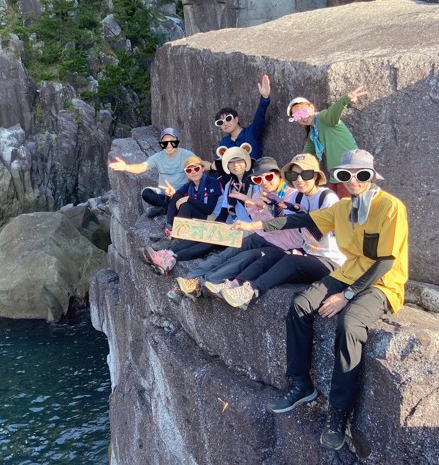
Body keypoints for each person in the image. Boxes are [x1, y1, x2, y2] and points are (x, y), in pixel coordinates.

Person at [232, 149, 408, 451]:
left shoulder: (390, 207)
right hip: (348, 271)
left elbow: (385, 261)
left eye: (361, 175)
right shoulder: (342, 209)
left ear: (371, 176)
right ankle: (301, 383)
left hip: (382, 282)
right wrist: (255, 225)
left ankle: (338, 413)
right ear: (339, 177)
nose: (353, 181)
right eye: (346, 175)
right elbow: (300, 219)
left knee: (350, 325)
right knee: (301, 304)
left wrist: (347, 295)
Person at [220, 153, 345, 309]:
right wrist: (269, 206)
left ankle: (251, 290)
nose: (299, 180)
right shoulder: (297, 198)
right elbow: (281, 222)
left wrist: (254, 225)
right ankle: (236, 283)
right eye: (294, 175)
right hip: (308, 253)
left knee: (290, 260)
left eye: (305, 174)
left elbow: (308, 227)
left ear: (316, 176)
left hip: (330, 261)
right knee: (273, 254)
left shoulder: (327, 197)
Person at [170, 157, 303, 302]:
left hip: (282, 244)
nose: (264, 182)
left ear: (278, 175)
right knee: (228, 252)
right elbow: (256, 219)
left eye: (269, 177)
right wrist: (251, 205)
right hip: (261, 235)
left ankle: (202, 283)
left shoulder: (293, 195)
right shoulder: (259, 194)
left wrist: (257, 206)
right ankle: (190, 279)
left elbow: (284, 224)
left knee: (242, 258)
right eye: (258, 179)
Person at [145, 144, 254, 268]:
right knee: (206, 232)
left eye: (239, 161)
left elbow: (211, 209)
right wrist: (214, 227)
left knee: (210, 236)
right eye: (231, 162)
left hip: (251, 228)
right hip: (234, 223)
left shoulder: (254, 182)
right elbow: (224, 212)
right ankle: (169, 251)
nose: (235, 165)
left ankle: (171, 256)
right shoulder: (230, 184)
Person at [143, 155, 222, 275]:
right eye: (189, 170)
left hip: (213, 217)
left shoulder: (212, 182)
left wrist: (189, 199)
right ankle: (169, 230)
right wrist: (172, 194)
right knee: (177, 197)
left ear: (202, 168)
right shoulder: (190, 185)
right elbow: (177, 195)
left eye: (196, 169)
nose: (193, 172)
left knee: (186, 205)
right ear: (186, 172)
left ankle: (175, 239)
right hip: (200, 216)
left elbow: (209, 209)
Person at [287, 85, 367, 198]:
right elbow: (304, 158)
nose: (303, 117)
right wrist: (290, 175)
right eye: (297, 116)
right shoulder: (313, 133)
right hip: (336, 175)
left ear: (311, 107)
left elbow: (333, 112)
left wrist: (346, 99)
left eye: (303, 112)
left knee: (344, 209)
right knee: (333, 208)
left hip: (349, 170)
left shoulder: (322, 117)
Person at [109, 127, 195, 218]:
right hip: (165, 194)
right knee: (146, 193)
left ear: (178, 142)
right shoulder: (158, 157)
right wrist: (126, 167)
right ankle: (166, 207)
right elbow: (142, 167)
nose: (169, 145)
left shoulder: (186, 155)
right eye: (165, 143)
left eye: (172, 142)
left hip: (182, 192)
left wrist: (210, 166)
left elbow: (199, 165)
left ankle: (166, 208)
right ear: (161, 144)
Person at [211, 74, 271, 178]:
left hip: (253, 177)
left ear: (236, 119)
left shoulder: (251, 133)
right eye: (220, 122)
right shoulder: (224, 143)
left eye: (228, 119)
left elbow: (259, 116)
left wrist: (264, 98)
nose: (225, 123)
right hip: (232, 181)